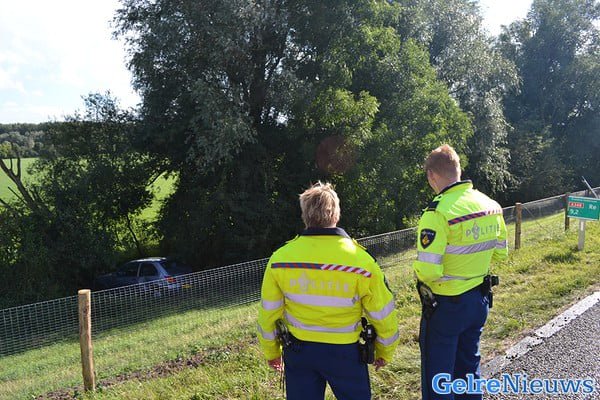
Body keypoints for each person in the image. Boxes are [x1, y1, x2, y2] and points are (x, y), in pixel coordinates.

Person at [258, 181, 399, 400]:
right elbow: (382, 313)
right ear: (336, 214)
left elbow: (268, 313)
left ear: (304, 215)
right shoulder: (361, 262)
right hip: (345, 353)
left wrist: (271, 351)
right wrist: (384, 350)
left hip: (299, 352)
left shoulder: (280, 260)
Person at [413, 144, 508, 400]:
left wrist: (417, 270)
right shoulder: (490, 205)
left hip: (446, 306)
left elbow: (428, 271)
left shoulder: (437, 212)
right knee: (468, 370)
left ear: (431, 175)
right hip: (479, 300)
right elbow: (501, 253)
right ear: (458, 169)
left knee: (439, 378)